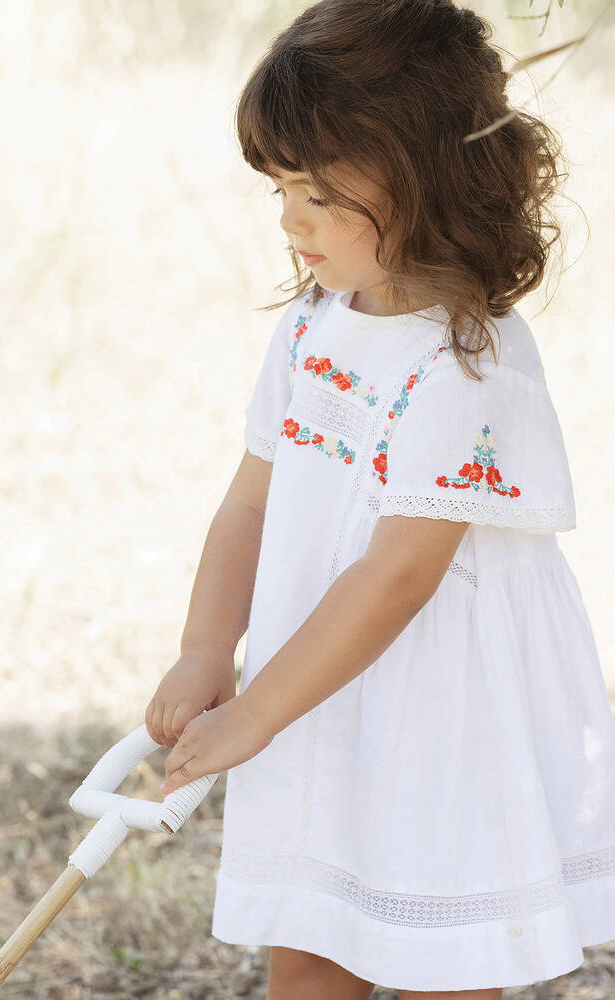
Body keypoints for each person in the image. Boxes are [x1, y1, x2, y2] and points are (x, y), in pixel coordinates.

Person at [142, 1, 615, 997]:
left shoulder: (467, 364)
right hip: (314, 692)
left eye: (318, 193)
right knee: (311, 939)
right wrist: (207, 645)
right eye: (280, 189)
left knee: (442, 952)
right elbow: (251, 502)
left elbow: (401, 574)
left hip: (436, 717)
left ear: (426, 180)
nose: (290, 220)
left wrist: (256, 713)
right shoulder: (314, 325)